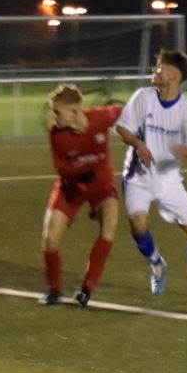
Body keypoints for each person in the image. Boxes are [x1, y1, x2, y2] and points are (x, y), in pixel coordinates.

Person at [114, 50, 187, 301]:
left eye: (160, 67)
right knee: (138, 225)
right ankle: (157, 263)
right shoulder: (143, 97)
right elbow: (121, 128)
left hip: (170, 181)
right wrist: (138, 144)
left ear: (174, 76)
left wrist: (182, 150)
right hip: (138, 178)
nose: (155, 71)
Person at [39, 84, 123, 308]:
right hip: (71, 188)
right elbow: (61, 168)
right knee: (50, 240)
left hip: (101, 188)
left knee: (110, 224)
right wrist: (79, 175)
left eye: (58, 112)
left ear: (74, 110)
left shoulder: (101, 118)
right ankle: (54, 290)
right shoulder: (57, 134)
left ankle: (86, 290)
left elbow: (128, 111)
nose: (54, 117)